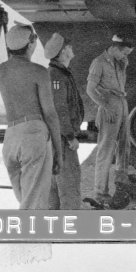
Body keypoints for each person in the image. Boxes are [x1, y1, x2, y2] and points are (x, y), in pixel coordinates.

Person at [0, 23, 62, 209]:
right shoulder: (39, 72)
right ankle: (30, 236)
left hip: (11, 138)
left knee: (25, 199)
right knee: (33, 203)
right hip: (33, 135)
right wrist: (58, 151)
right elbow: (50, 115)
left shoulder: (2, 70)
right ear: (31, 44)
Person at [86, 34, 135, 205]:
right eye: (124, 53)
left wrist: (123, 61)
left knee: (124, 146)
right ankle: (100, 192)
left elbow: (120, 78)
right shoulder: (99, 63)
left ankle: (121, 184)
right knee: (106, 149)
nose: (126, 57)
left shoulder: (119, 62)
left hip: (122, 103)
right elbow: (90, 89)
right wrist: (105, 106)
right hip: (109, 107)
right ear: (114, 48)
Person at [43, 32, 84, 209]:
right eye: (68, 47)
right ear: (62, 52)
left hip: (56, 137)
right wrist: (70, 137)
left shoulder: (59, 73)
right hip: (61, 139)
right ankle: (71, 224)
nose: (71, 48)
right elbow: (59, 109)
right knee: (69, 181)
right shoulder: (56, 76)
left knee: (56, 182)